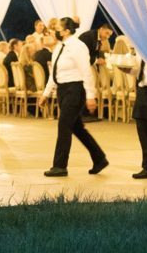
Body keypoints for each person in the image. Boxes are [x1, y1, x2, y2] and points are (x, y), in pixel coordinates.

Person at [41, 18, 108, 177]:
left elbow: (86, 71)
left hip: (75, 89)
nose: (54, 31)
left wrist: (90, 95)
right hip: (63, 90)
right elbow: (54, 73)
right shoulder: (59, 47)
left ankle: (60, 166)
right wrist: (45, 93)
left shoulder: (78, 46)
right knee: (76, 127)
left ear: (66, 31)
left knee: (64, 126)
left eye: (57, 28)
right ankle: (99, 158)